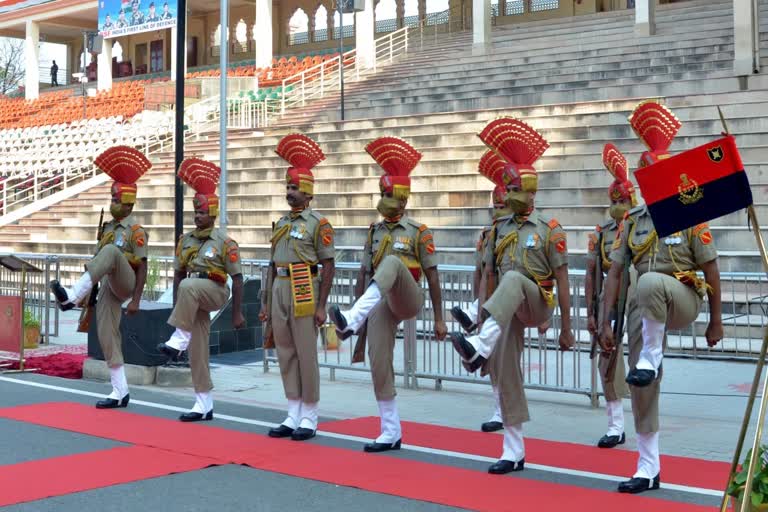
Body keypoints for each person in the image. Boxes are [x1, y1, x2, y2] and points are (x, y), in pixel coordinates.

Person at [599, 100, 723, 494]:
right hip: (642, 307)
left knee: (650, 281)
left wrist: (716, 322)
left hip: (683, 297)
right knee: (640, 383)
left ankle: (651, 359)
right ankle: (648, 467)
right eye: (646, 173)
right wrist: (604, 320)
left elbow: (711, 267)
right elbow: (615, 272)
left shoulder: (689, 212)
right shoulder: (631, 222)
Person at [448, 118, 575, 475]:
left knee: (517, 277)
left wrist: (565, 326)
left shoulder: (550, 230)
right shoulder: (497, 230)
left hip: (535, 304)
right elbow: (489, 278)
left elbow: (563, 280)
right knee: (506, 375)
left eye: (524, 189)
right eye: (516, 188)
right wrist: (485, 317)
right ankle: (513, 450)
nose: (520, 194)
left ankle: (480, 345)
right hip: (504, 310)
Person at [329, 136, 447, 452]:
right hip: (382, 301)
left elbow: (433, 277)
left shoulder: (418, 232)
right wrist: (358, 317)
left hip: (409, 298)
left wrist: (439, 318)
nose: (383, 199)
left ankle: (352, 318)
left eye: (388, 194)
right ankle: (390, 431)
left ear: (403, 200)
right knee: (378, 360)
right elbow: (364, 273)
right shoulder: (374, 231)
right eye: (381, 194)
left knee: (394, 262)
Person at [50, 146, 151, 409]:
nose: (113, 204)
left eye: (117, 200)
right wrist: (92, 296)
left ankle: (71, 297)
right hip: (107, 284)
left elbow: (142, 266)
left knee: (111, 252)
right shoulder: (107, 228)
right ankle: (120, 391)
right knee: (107, 335)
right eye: (112, 198)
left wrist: (136, 300)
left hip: (126, 282)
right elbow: (99, 263)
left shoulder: (135, 231)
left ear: (129, 203)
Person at [156, 158, 246, 422]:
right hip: (192, 297)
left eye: (202, 213)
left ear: (213, 214)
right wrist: (178, 307)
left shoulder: (224, 242)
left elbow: (238, 279)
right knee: (199, 349)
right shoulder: (185, 241)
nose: (197, 216)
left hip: (216, 291)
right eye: (195, 212)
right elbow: (179, 276)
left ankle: (177, 341)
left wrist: (237, 314)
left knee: (189, 286)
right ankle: (203, 404)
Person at [261, 134, 335, 442]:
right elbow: (269, 263)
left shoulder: (319, 224)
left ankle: (310, 415)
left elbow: (329, 265)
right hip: (279, 284)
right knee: (286, 352)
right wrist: (265, 301)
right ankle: (293, 411)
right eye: (288, 187)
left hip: (306, 283)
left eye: (294, 188)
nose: (290, 193)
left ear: (308, 192)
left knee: (306, 352)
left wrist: (321, 306)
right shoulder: (279, 223)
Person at [450, 150, 511, 433]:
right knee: (492, 363)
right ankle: (499, 410)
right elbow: (481, 273)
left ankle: (505, 411)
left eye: (501, 206)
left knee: (504, 362)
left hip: (512, 305)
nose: (496, 212)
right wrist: (480, 304)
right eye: (494, 207)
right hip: (491, 304)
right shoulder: (488, 236)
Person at [584, 143, 635, 449]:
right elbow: (592, 272)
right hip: (611, 301)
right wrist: (593, 313)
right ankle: (616, 426)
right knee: (607, 362)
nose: (618, 204)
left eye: (624, 199)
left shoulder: (645, 226)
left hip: (640, 296)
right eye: (614, 200)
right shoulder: (602, 233)